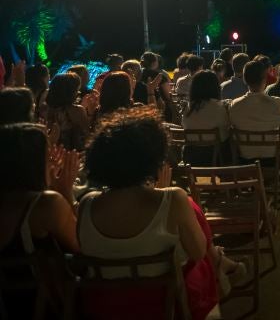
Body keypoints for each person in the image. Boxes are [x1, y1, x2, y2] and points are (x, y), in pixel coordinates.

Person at [79, 108, 217, 320]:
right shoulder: (173, 199)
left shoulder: (87, 204)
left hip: (105, 308)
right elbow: (198, 252)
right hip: (165, 307)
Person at [0, 124, 80, 317]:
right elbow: (84, 246)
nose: (51, 158)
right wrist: (66, 193)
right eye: (47, 153)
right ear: (35, 162)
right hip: (45, 308)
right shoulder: (46, 204)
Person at [230, 60, 280, 197]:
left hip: (245, 158)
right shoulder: (276, 103)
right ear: (265, 79)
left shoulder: (235, 105)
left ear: (245, 79)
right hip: (272, 158)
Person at [183, 70, 230, 165]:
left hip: (191, 158)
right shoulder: (219, 107)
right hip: (216, 158)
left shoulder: (188, 108)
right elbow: (226, 130)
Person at [45, 72, 90, 150]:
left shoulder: (44, 109)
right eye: (77, 89)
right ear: (71, 92)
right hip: (71, 154)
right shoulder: (78, 110)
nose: (78, 92)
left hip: (49, 152)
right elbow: (87, 135)